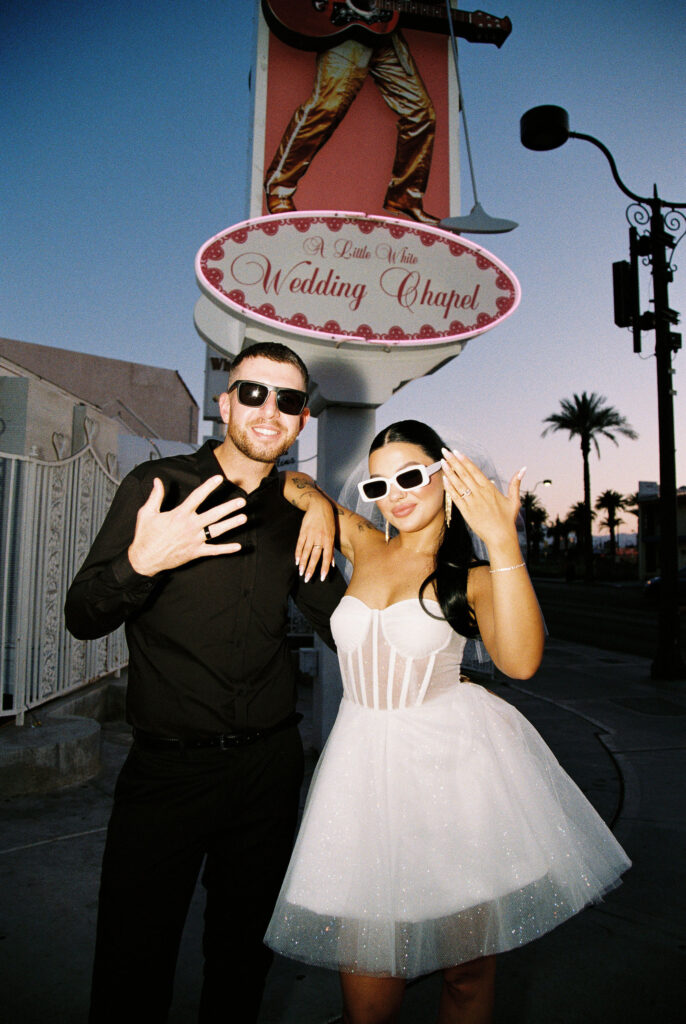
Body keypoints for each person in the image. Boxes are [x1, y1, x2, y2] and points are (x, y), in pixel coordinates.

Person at [266, 420, 631, 1024]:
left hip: (451, 773)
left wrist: (504, 541)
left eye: (410, 477)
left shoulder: (475, 576)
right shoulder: (362, 540)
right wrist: (313, 507)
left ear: (446, 476)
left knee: (466, 973)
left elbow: (521, 661)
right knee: (369, 990)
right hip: (360, 774)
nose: (396, 494)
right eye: (379, 485)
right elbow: (292, 482)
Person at [64, 341, 347, 1024]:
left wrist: (333, 513)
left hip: (270, 770)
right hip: (168, 771)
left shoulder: (294, 512)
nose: (269, 410)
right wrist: (142, 560)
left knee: (243, 960)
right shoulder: (159, 488)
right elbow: (83, 615)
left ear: (302, 419)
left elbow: (344, 622)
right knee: (133, 960)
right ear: (225, 403)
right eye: (253, 392)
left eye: (289, 399)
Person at [264, 32, 438, 224]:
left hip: (387, 36)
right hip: (348, 34)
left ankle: (405, 197)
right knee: (326, 108)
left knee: (421, 113)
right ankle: (279, 188)